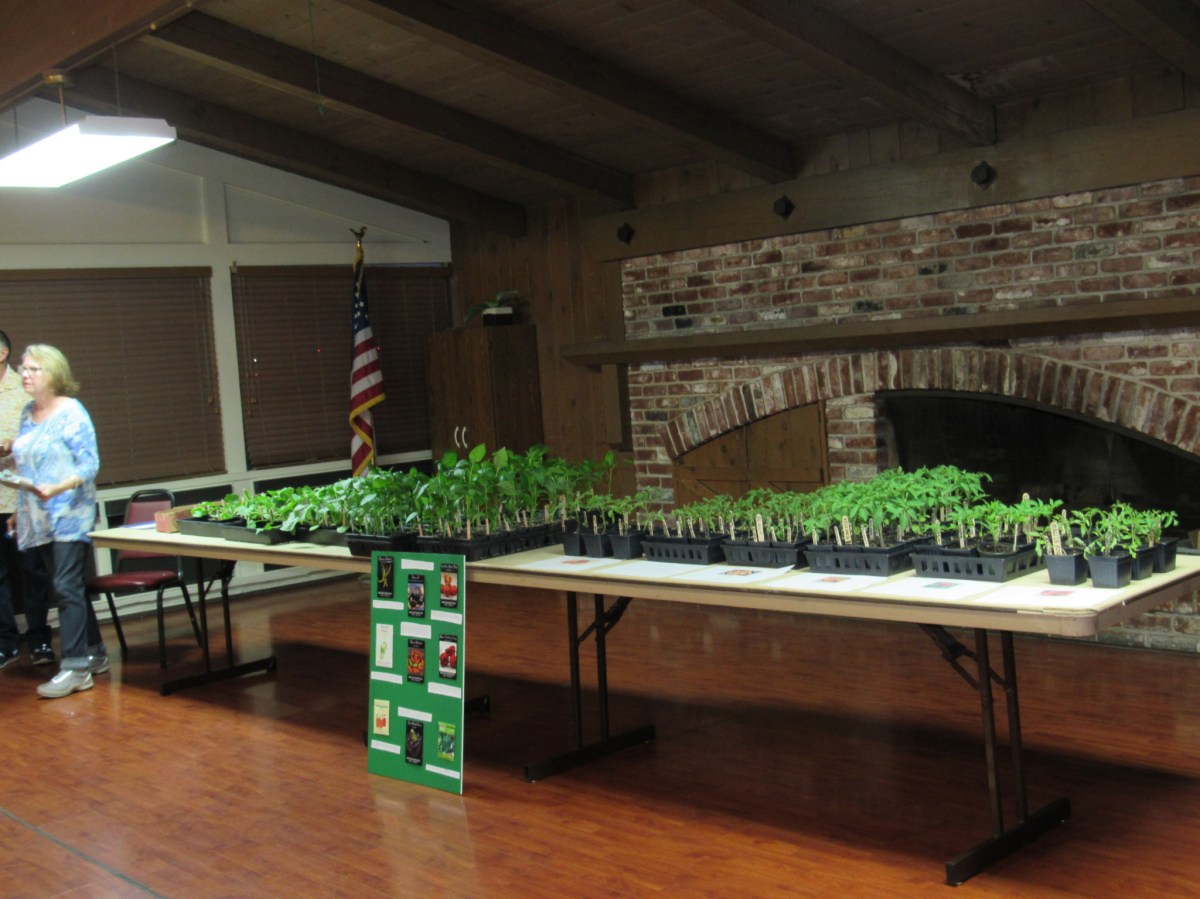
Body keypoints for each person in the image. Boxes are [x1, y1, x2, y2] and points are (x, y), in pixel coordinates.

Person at [2, 345, 106, 698]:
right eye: (23, 367)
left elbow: (89, 465)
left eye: (34, 368)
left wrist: (58, 487)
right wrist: (19, 510)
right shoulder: (28, 413)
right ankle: (96, 652)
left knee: (65, 585)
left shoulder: (72, 412)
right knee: (67, 586)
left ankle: (76, 668)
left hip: (70, 512)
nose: (25, 374)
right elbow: (27, 464)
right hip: (39, 514)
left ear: (53, 374)